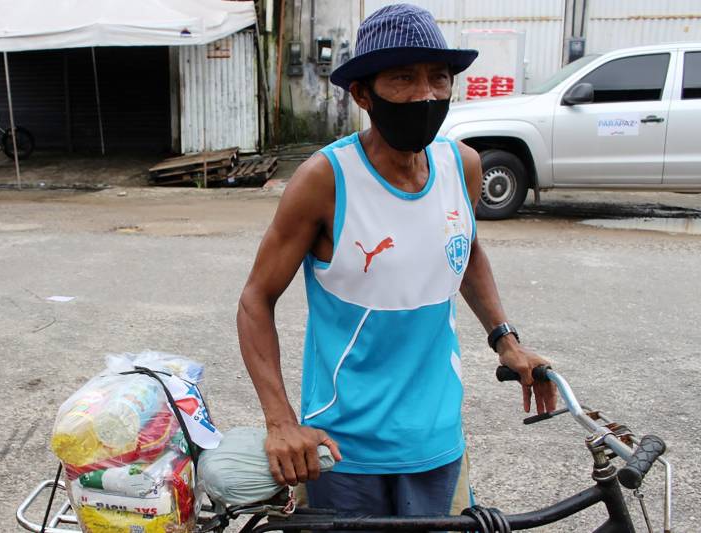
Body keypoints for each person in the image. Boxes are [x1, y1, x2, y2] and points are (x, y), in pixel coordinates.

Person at [237, 3, 558, 521]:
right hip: (345, 451)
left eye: (439, 77)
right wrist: (280, 422)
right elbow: (256, 298)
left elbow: (465, 249)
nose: (426, 94)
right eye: (403, 78)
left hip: (437, 441)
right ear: (362, 93)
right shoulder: (326, 180)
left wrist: (507, 341)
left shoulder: (463, 166)